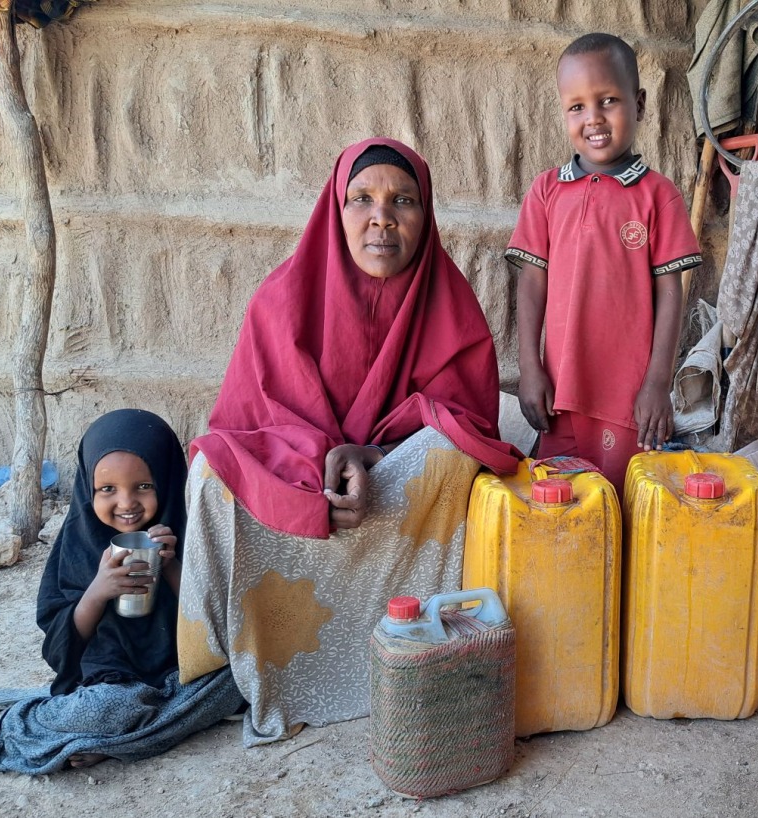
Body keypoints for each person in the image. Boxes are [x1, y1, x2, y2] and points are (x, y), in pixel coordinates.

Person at [177, 137, 521, 746]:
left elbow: (469, 421)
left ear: (426, 213)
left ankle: (406, 650)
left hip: (395, 489)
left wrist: (377, 455)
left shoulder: (453, 309)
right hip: (303, 480)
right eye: (360, 198)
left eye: (402, 200)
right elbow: (247, 423)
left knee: (448, 453)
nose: (381, 217)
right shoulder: (280, 303)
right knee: (210, 472)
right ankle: (239, 664)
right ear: (335, 213)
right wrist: (321, 463)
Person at [0, 409, 244, 775]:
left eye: (143, 486)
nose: (126, 503)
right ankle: (17, 723)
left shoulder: (192, 530)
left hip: (178, 670)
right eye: (107, 489)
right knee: (109, 709)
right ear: (88, 488)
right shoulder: (80, 542)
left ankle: (98, 736)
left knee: (239, 679)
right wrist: (98, 590)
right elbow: (61, 647)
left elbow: (215, 624)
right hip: (109, 679)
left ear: (167, 481)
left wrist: (170, 566)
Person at [508, 33, 703, 494]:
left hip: (627, 398)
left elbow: (670, 293)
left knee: (622, 504)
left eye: (608, 100)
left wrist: (657, 382)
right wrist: (530, 369)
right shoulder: (546, 191)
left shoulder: (658, 195)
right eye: (576, 106)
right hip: (560, 393)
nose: (592, 119)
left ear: (639, 104)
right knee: (561, 505)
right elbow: (532, 284)